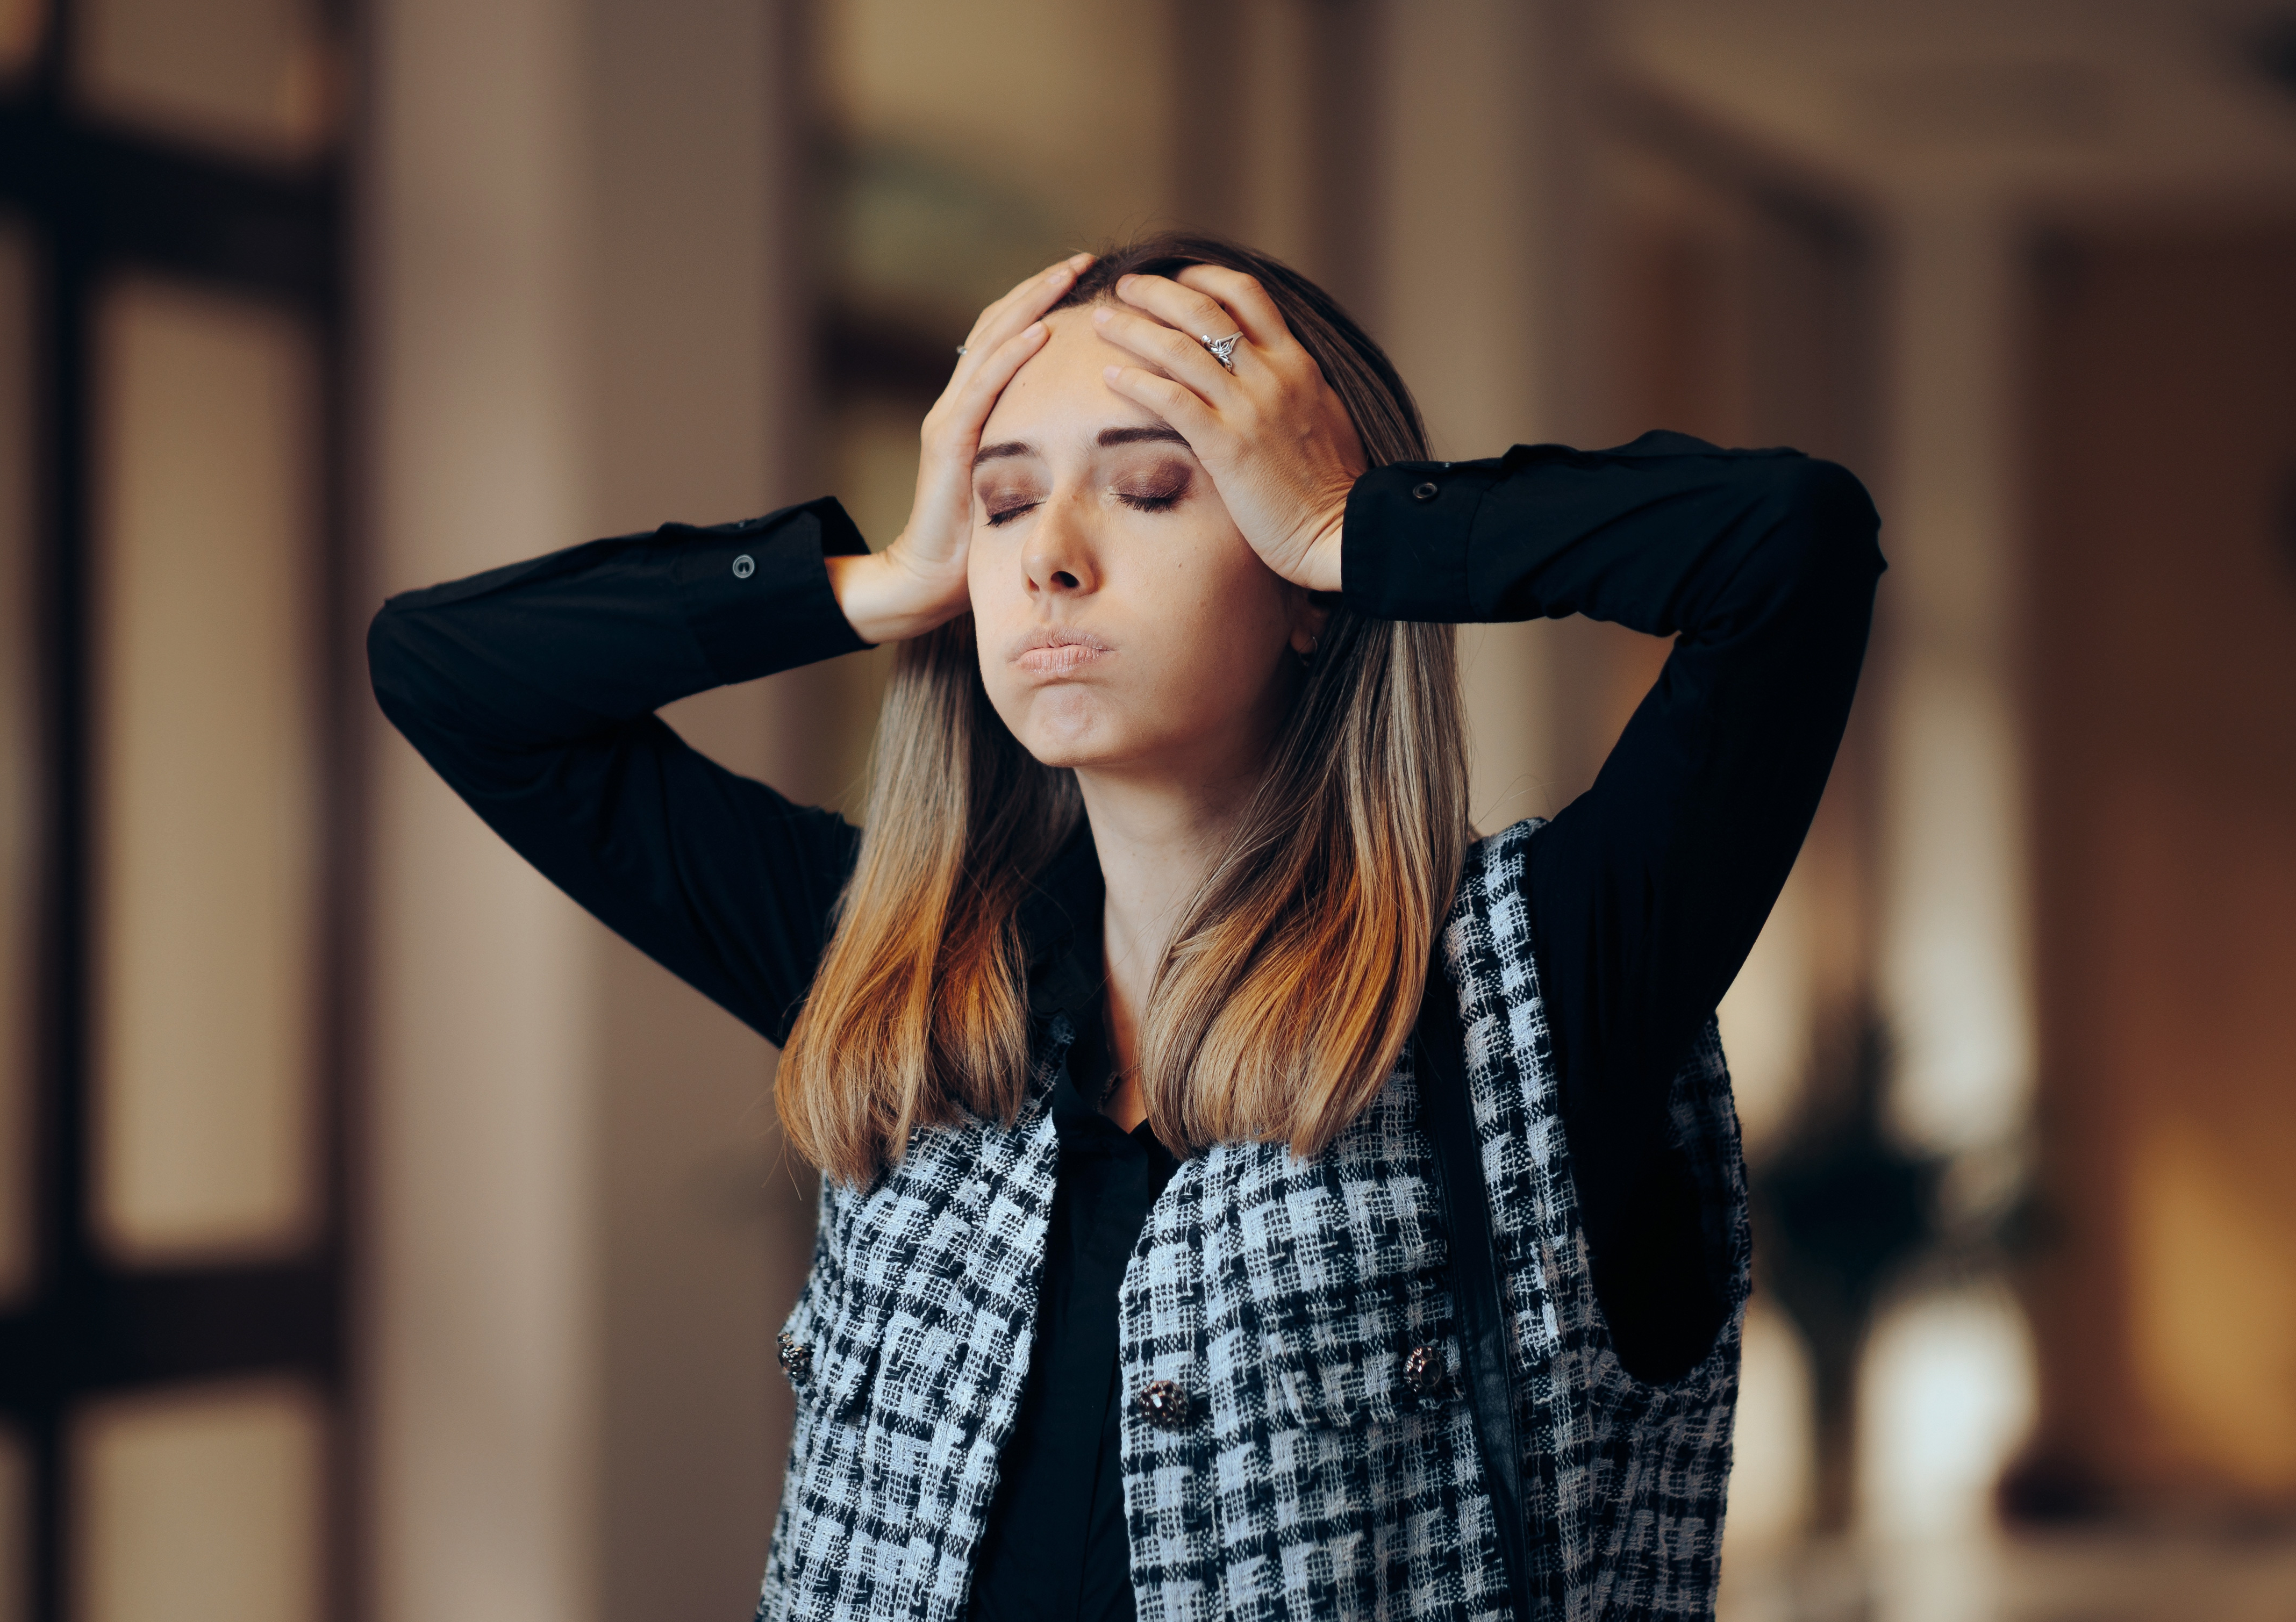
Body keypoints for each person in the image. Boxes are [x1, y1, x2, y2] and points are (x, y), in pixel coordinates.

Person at [368, 232, 1880, 1622]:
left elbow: (1788, 552)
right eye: (1005, 498)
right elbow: (448, 670)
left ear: (1305, 583)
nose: (1050, 557)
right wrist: (880, 576)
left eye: (1151, 488)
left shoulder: (1532, 985)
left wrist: (1371, 533)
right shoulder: (909, 979)